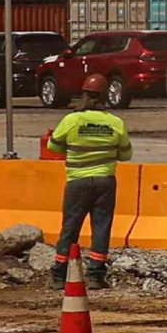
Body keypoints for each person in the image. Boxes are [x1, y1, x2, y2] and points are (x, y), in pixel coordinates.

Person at [46, 95, 131, 281]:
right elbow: (126, 154)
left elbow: (52, 145)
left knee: (70, 227)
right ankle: (95, 276)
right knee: (101, 227)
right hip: (105, 181)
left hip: (77, 181)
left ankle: (60, 275)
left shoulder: (72, 120)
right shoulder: (115, 122)